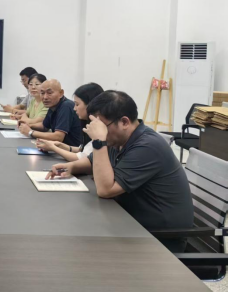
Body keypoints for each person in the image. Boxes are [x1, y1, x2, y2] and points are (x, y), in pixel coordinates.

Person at [47, 91, 194, 253]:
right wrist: (72, 167)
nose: (99, 132)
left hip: (159, 239)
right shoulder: (120, 139)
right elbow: (92, 161)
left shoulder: (147, 146)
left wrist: (98, 141)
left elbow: (106, 190)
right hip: (130, 222)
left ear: (124, 122)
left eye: (102, 127)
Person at [37, 83, 104, 162]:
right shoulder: (87, 123)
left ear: (91, 105)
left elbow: (81, 158)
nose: (74, 108)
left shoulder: (99, 128)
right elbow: (84, 150)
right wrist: (61, 146)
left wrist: (53, 148)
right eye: (42, 93)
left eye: (77, 104)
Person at [19, 79, 83, 147]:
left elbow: (58, 137)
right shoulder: (53, 105)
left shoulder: (66, 106)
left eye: (49, 93)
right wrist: (29, 125)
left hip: (72, 150)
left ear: (61, 93)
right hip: (59, 148)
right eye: (42, 93)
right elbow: (44, 126)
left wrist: (30, 132)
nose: (45, 97)